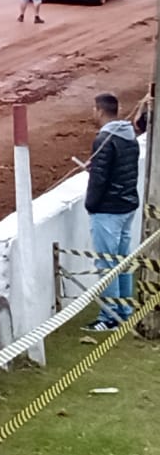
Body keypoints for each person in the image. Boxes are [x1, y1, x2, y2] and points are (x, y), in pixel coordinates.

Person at [84, 92, 141, 332]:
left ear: (99, 110)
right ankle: (124, 311)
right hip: (127, 206)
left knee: (107, 265)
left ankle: (109, 317)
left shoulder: (104, 139)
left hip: (108, 209)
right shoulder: (129, 135)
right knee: (122, 261)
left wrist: (91, 205)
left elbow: (99, 180)